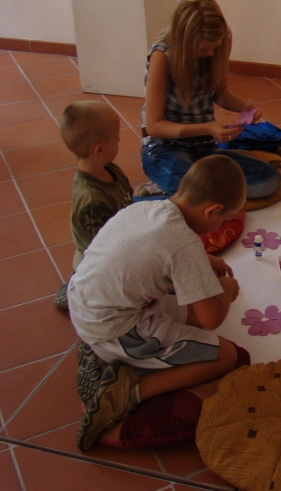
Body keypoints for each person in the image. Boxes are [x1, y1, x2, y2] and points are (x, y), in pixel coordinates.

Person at [69, 155, 246, 450]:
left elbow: (161, 248)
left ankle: (112, 356)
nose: (223, 224)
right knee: (226, 356)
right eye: (224, 219)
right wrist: (226, 290)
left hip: (85, 302)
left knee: (186, 311)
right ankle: (128, 391)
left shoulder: (147, 208)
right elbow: (212, 319)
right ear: (212, 211)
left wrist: (203, 260)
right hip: (112, 328)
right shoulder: (184, 244)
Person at [136, 0, 281, 199]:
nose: (211, 53)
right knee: (197, 191)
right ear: (185, 40)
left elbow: (220, 92)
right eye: (204, 48)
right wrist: (208, 128)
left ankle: (189, 193)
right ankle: (164, 192)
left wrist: (243, 107)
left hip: (204, 147)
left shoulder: (220, 42)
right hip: (165, 147)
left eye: (215, 47)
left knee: (268, 179)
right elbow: (154, 126)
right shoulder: (162, 55)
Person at [53, 101, 133, 310]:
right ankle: (75, 289)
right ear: (99, 149)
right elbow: (104, 251)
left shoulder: (111, 169)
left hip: (119, 233)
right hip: (96, 260)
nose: (119, 140)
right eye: (116, 137)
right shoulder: (92, 201)